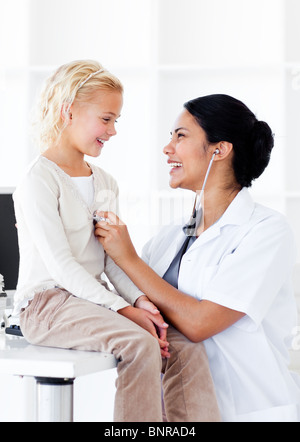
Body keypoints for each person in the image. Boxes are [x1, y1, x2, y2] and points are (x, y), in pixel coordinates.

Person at [13, 61, 220, 422]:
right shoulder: (39, 180)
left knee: (182, 344)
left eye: (116, 121)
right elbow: (62, 266)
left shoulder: (105, 182)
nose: (112, 131)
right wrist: (124, 310)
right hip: (47, 305)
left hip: (92, 301)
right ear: (69, 110)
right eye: (106, 119)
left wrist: (142, 302)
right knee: (139, 345)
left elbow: (111, 260)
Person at [95, 94, 300, 422]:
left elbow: (201, 323)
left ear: (220, 149)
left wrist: (128, 258)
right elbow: (133, 303)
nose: (168, 149)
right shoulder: (170, 236)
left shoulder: (267, 231)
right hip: (173, 409)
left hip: (242, 408)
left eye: (181, 136)